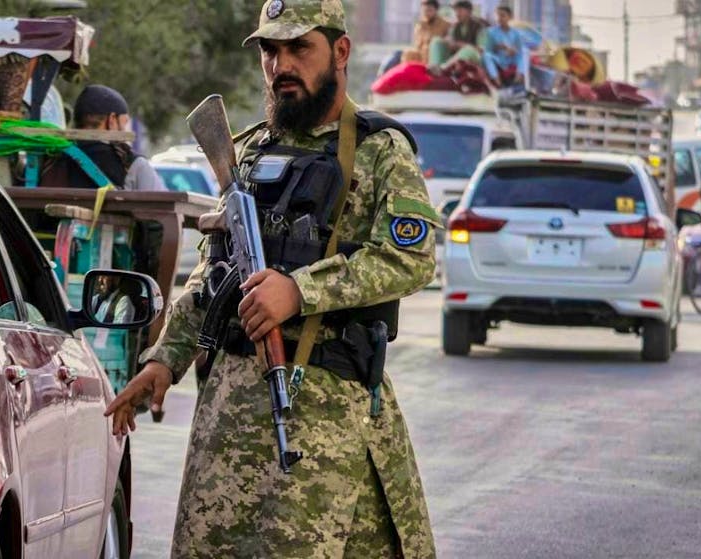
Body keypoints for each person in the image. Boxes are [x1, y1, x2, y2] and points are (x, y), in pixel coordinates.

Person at [104, 1, 440, 557]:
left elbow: (411, 258)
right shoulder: (250, 149)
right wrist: (165, 360)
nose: (280, 64)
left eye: (298, 48)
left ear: (340, 51)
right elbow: (216, 271)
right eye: (269, 50)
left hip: (323, 419)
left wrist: (301, 291)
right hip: (228, 416)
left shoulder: (381, 152)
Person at [37, 84, 166, 191]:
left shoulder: (49, 159)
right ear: (111, 120)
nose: (125, 129)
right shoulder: (132, 164)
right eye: (124, 122)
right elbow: (163, 210)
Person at [428, 1, 485, 68]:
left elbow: (481, 50)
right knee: (436, 40)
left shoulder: (479, 27)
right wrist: (447, 42)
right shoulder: (454, 27)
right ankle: (435, 66)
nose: (457, 14)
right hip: (456, 57)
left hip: (474, 57)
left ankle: (443, 69)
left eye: (460, 10)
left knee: (468, 50)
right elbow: (450, 41)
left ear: (469, 11)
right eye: (455, 11)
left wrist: (460, 45)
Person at [483, 5, 526, 88]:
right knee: (486, 56)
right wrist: (498, 47)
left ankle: (518, 78)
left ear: (509, 17)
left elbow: (519, 51)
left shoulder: (516, 33)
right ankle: (497, 82)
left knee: (525, 52)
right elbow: (488, 50)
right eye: (498, 15)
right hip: (499, 58)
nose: (499, 18)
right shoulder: (491, 32)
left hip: (511, 59)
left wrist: (512, 50)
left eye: (503, 15)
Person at [408, 0, 451, 64]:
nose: (426, 13)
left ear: (436, 11)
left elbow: (448, 44)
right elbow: (416, 45)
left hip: (436, 60)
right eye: (424, 11)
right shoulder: (420, 25)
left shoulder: (445, 25)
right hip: (420, 59)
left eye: (429, 10)